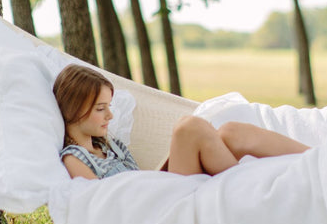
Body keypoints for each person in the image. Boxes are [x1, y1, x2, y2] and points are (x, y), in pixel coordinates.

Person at [53, 64, 310, 181]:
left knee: (231, 131)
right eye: (101, 109)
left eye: (109, 107)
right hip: (156, 209)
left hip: (158, 188)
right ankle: (250, 193)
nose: (110, 115)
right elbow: (101, 208)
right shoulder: (74, 159)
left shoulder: (111, 144)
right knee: (189, 128)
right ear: (76, 110)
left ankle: (317, 160)